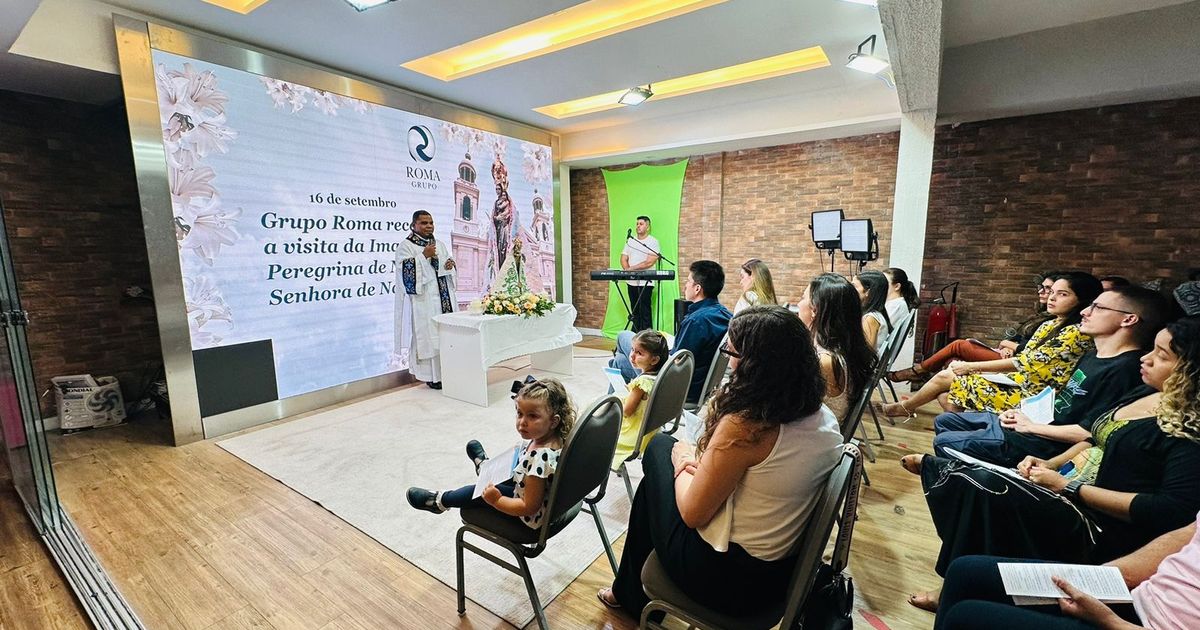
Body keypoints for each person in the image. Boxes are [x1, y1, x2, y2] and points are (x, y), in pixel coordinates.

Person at [899, 317, 1200, 613]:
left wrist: (1070, 487)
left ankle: (941, 479)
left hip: (1101, 523)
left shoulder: (1189, 431)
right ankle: (956, 570)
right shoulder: (1149, 391)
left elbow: (1168, 510)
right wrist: (1051, 464)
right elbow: (1096, 437)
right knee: (979, 488)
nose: (1146, 359)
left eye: (1162, 355)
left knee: (987, 487)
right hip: (1077, 487)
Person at [597, 305, 843, 617]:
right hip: (781, 575)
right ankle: (628, 593)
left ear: (756, 363)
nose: (728, 359)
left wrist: (683, 460)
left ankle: (629, 596)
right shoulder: (824, 419)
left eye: (730, 350)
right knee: (657, 475)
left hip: (727, 580)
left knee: (660, 448)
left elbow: (692, 514)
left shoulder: (748, 426)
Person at [932, 286, 1171, 466]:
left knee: (945, 441)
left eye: (1098, 307)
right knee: (945, 421)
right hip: (1037, 424)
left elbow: (1091, 432)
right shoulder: (1092, 356)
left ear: (1128, 319)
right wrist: (1025, 415)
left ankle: (974, 485)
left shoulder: (1126, 369)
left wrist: (1030, 427)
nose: (1086, 312)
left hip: (1045, 442)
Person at [878, 272, 1102, 418]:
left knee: (952, 369)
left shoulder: (1074, 332)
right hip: (1019, 380)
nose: (1051, 298)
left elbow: (1027, 363)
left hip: (1033, 395)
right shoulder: (1051, 323)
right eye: (1051, 292)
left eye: (1061, 294)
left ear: (1083, 301)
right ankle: (955, 427)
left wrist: (971, 367)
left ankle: (911, 406)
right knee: (946, 385)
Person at [935, 515, 1200, 629]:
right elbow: (1189, 533)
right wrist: (1108, 577)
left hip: (1140, 625)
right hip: (1145, 597)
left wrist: (1111, 622)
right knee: (965, 571)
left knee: (966, 617)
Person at [405, 378, 574, 529]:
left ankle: (439, 501)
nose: (522, 422)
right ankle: (487, 468)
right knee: (509, 463)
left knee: (479, 492)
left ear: (554, 421)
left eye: (533, 416)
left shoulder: (539, 459)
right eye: (520, 414)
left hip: (528, 517)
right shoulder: (556, 437)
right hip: (531, 487)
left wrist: (496, 500)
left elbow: (528, 507)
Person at [889, 271, 1062, 382]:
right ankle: (954, 425)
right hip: (1010, 353)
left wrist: (1007, 344)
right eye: (1043, 288)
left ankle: (918, 371)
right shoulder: (1042, 315)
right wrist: (1008, 344)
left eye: (1048, 289)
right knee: (952, 362)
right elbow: (1019, 337)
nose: (1042, 292)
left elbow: (1028, 348)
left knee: (959, 345)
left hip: (1018, 363)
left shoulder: (1056, 321)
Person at [610, 260, 731, 403]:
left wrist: (664, 351)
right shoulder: (726, 315)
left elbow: (676, 363)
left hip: (677, 388)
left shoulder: (696, 321)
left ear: (697, 288)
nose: (685, 286)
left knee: (622, 336)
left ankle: (614, 409)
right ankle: (624, 405)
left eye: (688, 281)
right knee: (619, 361)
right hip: (700, 386)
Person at [797, 273, 876, 426]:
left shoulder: (826, 361)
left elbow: (793, 409)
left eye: (802, 298)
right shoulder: (846, 347)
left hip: (817, 438)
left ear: (815, 310)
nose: (799, 304)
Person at [396, 210, 456, 389]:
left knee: (447, 336)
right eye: (424, 223)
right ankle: (433, 377)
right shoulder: (406, 246)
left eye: (431, 222)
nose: (429, 226)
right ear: (414, 225)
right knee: (430, 338)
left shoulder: (440, 244)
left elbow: (448, 266)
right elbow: (405, 275)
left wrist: (450, 266)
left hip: (444, 299)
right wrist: (423, 256)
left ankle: (450, 372)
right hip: (424, 301)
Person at [611, 330, 670, 468]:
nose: (632, 356)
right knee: (619, 360)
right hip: (649, 430)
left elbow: (626, 411)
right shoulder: (659, 377)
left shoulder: (642, 383)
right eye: (632, 350)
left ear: (654, 360)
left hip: (633, 434)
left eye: (639, 353)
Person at [620, 215, 660, 332]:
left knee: (645, 309)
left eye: (641, 224)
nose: (638, 226)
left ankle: (647, 336)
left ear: (647, 227)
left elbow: (649, 262)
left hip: (646, 282)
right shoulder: (630, 241)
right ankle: (635, 335)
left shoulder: (653, 241)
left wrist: (631, 269)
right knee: (634, 309)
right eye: (637, 224)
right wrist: (628, 271)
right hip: (631, 281)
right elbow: (623, 258)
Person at [853, 271, 893, 355]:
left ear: (868, 291)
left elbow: (865, 354)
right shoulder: (876, 314)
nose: (850, 290)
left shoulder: (870, 318)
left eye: (854, 287)